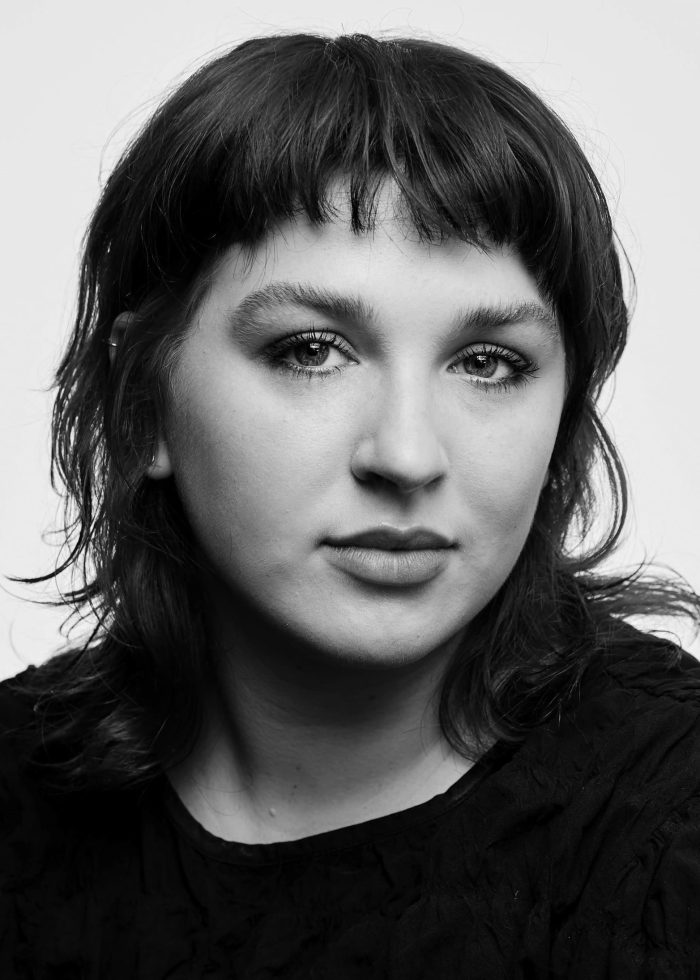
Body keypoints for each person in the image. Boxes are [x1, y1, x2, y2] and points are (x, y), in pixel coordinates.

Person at [1, 31, 699, 978]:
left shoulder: (669, 817)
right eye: (311, 350)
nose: (407, 455)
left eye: (488, 362)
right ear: (144, 401)